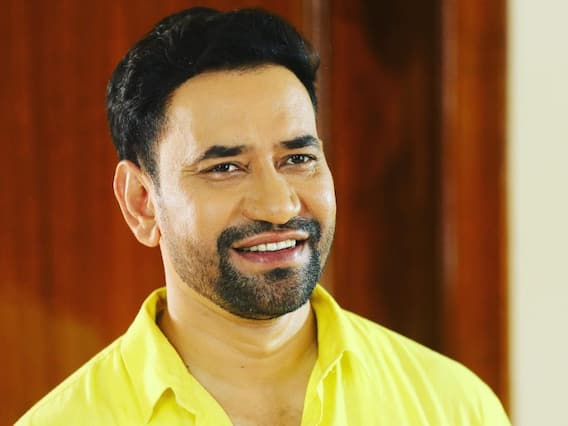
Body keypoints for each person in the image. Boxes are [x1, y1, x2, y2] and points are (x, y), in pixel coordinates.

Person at [17, 7, 510, 425]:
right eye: (225, 168)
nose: (279, 206)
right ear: (143, 202)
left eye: (297, 159)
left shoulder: (453, 407)